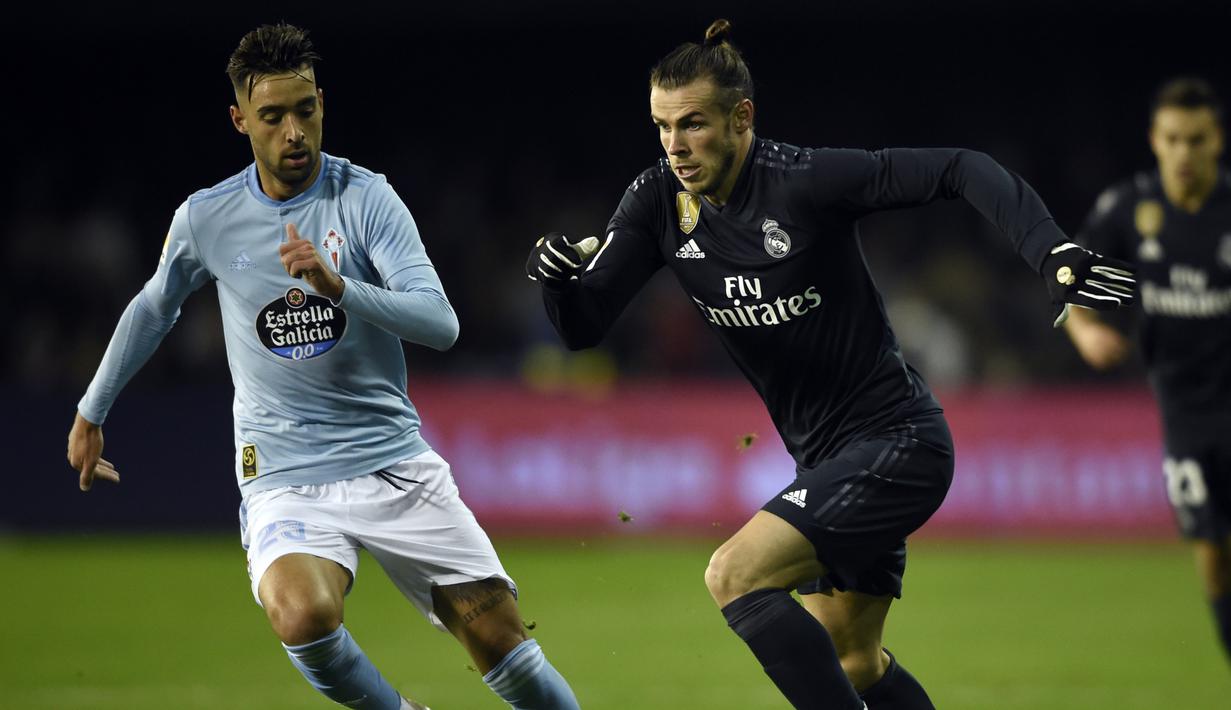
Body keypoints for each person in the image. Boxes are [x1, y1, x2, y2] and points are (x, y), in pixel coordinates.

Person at [526, 19, 1135, 710]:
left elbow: (961, 166)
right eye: (661, 126)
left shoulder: (804, 181)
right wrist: (555, 281)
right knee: (853, 662)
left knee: (734, 574)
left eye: (692, 124)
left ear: (740, 117)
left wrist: (1049, 251)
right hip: (823, 461)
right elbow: (582, 330)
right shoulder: (656, 202)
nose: (674, 145)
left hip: (897, 443)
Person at [65, 23, 580, 710]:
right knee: (302, 615)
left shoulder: (366, 199)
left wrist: (341, 289)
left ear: (322, 104)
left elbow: (440, 322)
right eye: (272, 116)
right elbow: (155, 306)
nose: (293, 132)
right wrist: (91, 410)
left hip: (390, 462)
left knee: (499, 641)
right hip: (283, 474)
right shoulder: (207, 218)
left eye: (304, 110)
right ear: (239, 119)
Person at [1064, 77, 1231, 665]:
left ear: (1218, 142)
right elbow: (1073, 285)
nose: (1184, 153)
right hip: (1184, 412)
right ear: (1155, 141)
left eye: (1197, 140)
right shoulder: (1131, 209)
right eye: (1174, 139)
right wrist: (1087, 332)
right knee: (1211, 550)